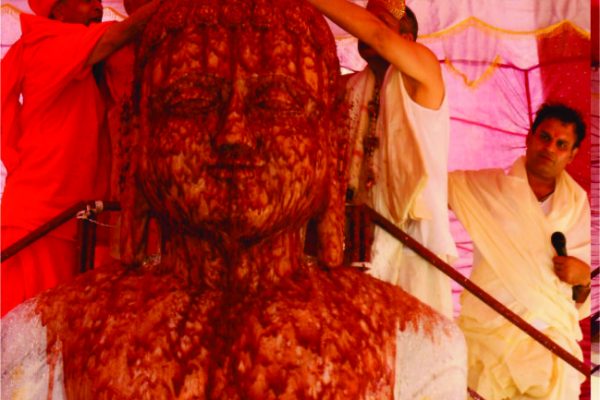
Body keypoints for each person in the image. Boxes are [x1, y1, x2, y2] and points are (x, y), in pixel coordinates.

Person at [1, 0, 468, 398]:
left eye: (276, 104)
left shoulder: (414, 344)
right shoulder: (46, 335)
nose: (233, 133)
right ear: (138, 137)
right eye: (193, 101)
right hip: (46, 213)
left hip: (407, 238)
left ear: (329, 142)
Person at [0, 0, 160, 316]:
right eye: (85, 1)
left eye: (98, 1)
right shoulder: (46, 42)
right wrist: (170, 5)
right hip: (40, 220)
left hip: (75, 218)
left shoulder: (87, 59)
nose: (96, 7)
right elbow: (117, 35)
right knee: (23, 328)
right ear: (58, 11)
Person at [307, 0, 457, 318]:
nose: (365, 29)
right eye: (364, 20)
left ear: (407, 40)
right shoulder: (346, 89)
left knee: (413, 339)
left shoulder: (425, 72)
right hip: (356, 240)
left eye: (380, 23)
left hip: (414, 241)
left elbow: (378, 36)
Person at [448, 103, 591, 399]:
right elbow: (428, 187)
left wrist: (583, 276)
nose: (549, 148)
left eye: (561, 144)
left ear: (572, 154)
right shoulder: (488, 187)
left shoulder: (577, 206)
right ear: (530, 137)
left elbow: (580, 299)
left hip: (549, 342)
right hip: (488, 332)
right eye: (545, 137)